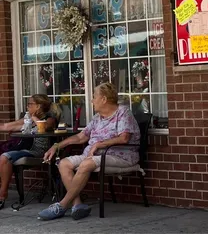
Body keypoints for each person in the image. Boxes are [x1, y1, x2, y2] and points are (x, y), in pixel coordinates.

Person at [38, 82, 140, 221]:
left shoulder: (123, 112)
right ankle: (77, 205)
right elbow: (81, 137)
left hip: (119, 155)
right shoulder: (98, 117)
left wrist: (99, 144)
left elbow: (124, 138)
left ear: (104, 99)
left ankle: (62, 205)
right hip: (94, 155)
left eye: (94, 97)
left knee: (86, 164)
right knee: (64, 163)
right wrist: (57, 146)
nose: (92, 100)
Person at [0, 94, 60, 210]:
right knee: (4, 157)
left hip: (40, 151)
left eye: (30, 104)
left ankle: (2, 195)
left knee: (4, 157)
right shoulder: (27, 118)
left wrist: (33, 118)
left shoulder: (50, 117)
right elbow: (7, 126)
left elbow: (46, 126)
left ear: (38, 106)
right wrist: (28, 119)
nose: (27, 106)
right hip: (24, 148)